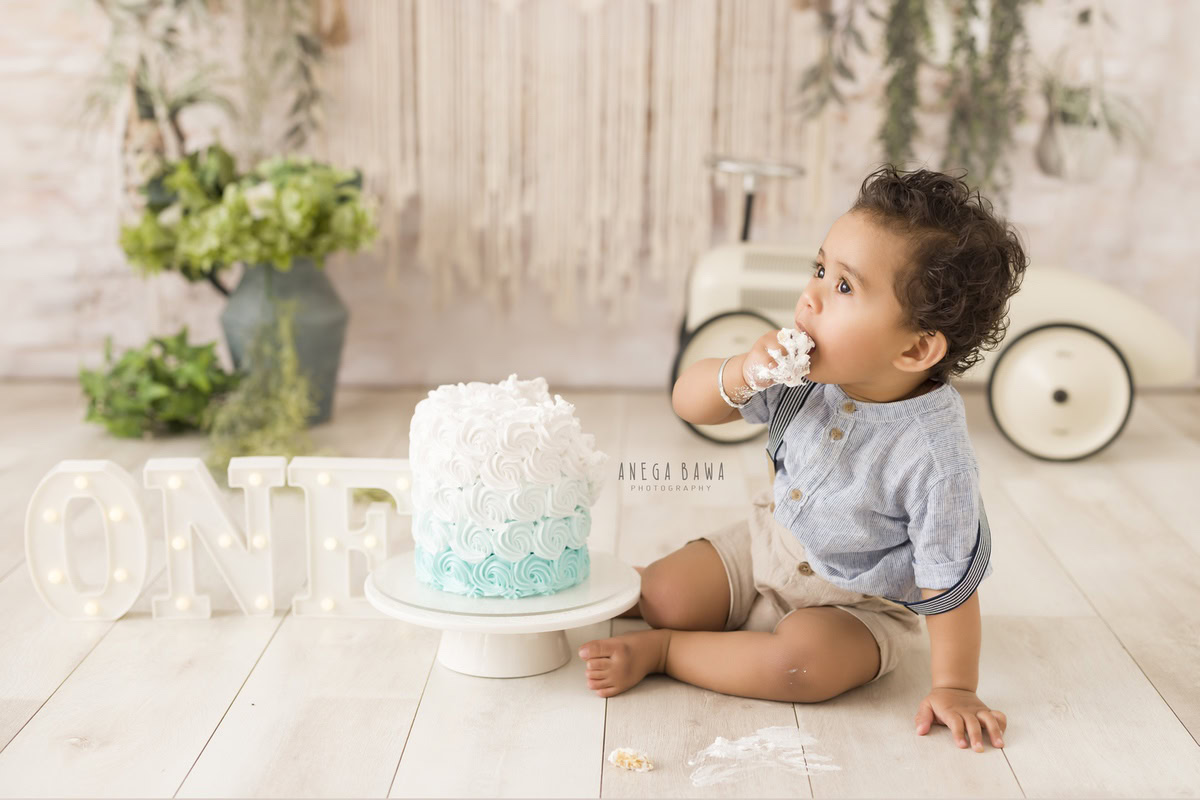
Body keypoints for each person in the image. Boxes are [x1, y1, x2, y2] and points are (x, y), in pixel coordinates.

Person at [578, 164, 1029, 754]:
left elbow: (951, 583)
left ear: (916, 347)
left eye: (844, 287)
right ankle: (635, 595)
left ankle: (667, 651)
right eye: (819, 269)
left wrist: (955, 686)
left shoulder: (934, 459)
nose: (809, 297)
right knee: (666, 595)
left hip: (859, 606)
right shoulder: (803, 372)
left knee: (803, 667)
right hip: (771, 545)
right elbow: (688, 402)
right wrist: (740, 372)